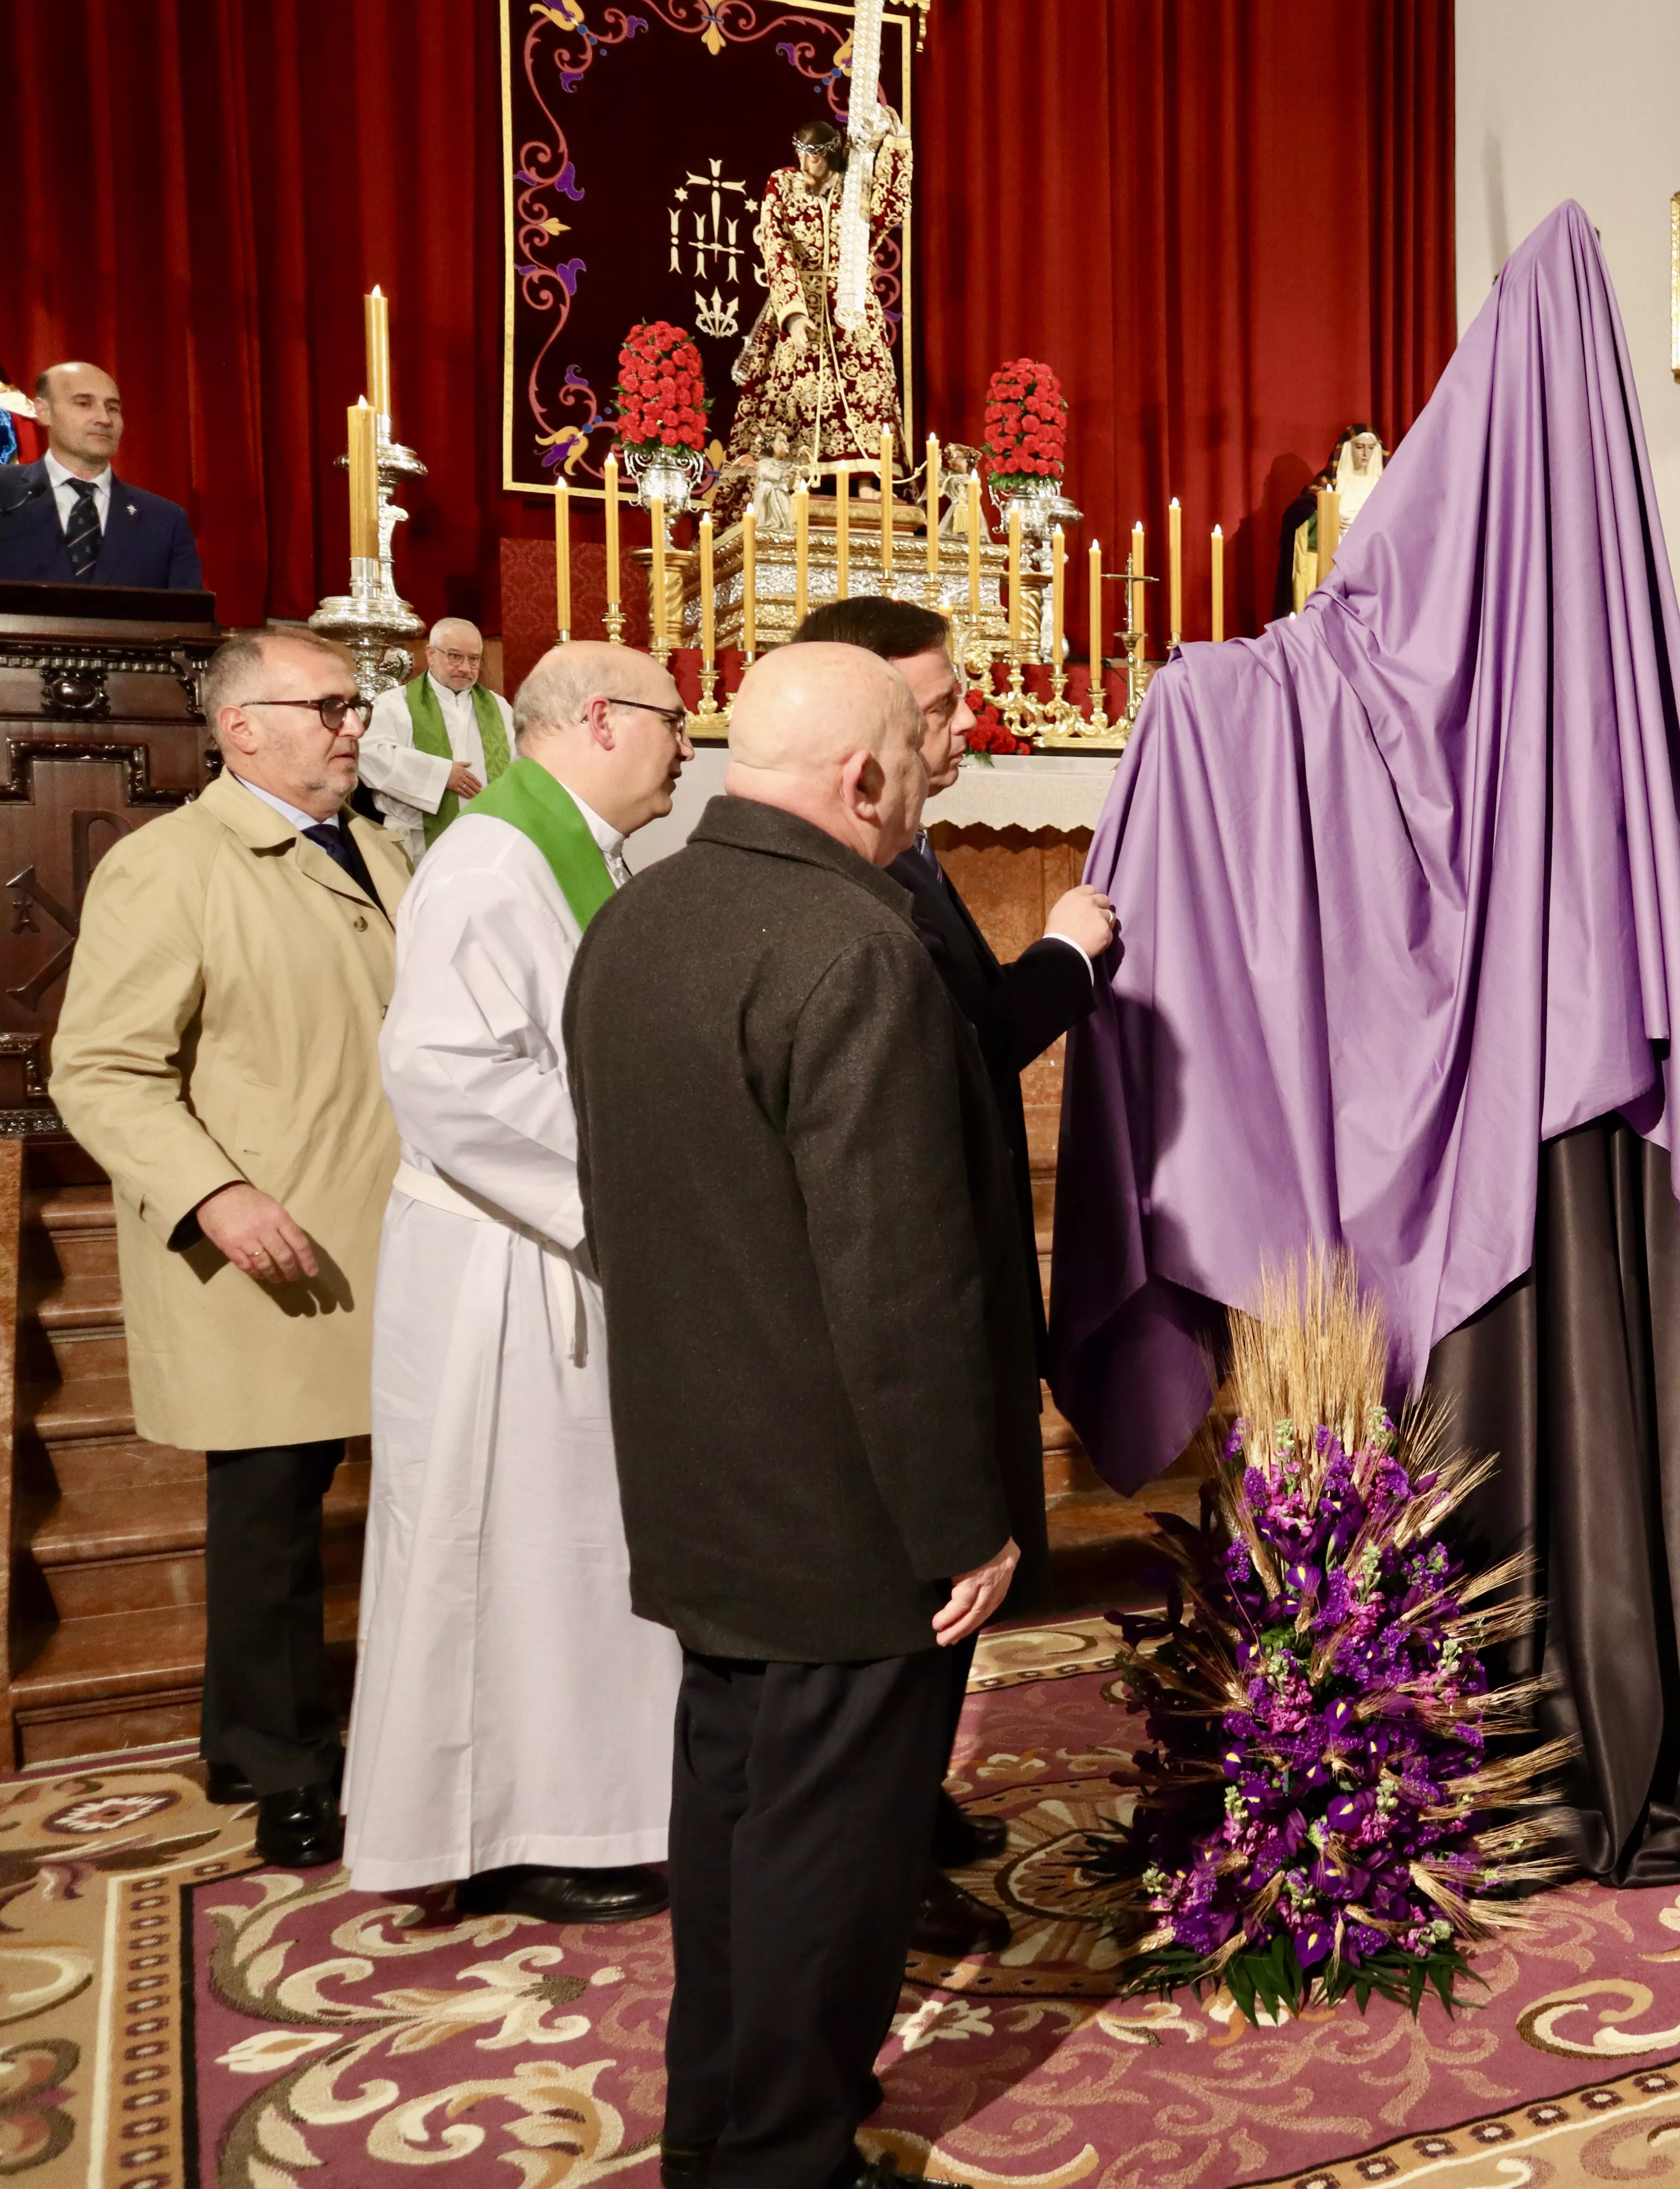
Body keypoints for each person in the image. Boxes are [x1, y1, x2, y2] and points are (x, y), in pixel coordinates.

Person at [569, 641, 1029, 2189]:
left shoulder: (634, 920)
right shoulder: (855, 947)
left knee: (738, 1834)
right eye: (917, 746)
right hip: (848, 1514)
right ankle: (782, 2158)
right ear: (864, 773)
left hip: (700, 1470)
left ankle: (719, 2124)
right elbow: (898, 1280)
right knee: (834, 1862)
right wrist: (960, 1518)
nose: (924, 773)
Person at [344, 641, 692, 1923]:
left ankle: (579, 1807)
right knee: (514, 1549)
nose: (686, 745)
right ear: (599, 716)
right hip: (507, 1259)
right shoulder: (494, 855)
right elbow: (445, 1071)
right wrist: (629, 1176)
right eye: (671, 719)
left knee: (571, 1547)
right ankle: (512, 1828)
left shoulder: (567, 848)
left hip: (552, 1241)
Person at [792, 593, 1117, 1960]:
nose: (958, 727)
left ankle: (910, 1806)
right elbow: (970, 1039)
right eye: (933, 705)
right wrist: (1066, 953)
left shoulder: (912, 854)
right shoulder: (854, 880)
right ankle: (880, 1851)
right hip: (905, 1277)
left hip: (971, 1249)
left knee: (959, 1588)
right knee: (916, 1588)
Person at [49, 631, 408, 1867]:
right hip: (272, 1249)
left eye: (356, 706)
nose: (353, 725)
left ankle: (386, 1732)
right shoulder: (169, 865)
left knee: (398, 1508)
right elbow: (100, 1067)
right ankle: (276, 1759)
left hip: (395, 1234)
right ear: (242, 727)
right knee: (270, 1522)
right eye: (329, 707)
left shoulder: (379, 845)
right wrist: (215, 1195)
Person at [724, 115, 913, 477]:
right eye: (800, 155)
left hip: (852, 303)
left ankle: (865, 480)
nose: (804, 165)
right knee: (798, 390)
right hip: (802, 303)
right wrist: (793, 316)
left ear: (830, 156)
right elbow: (776, 250)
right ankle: (797, 477)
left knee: (868, 388)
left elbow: (892, 207)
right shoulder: (782, 185)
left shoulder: (855, 185)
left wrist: (898, 144)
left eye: (813, 158)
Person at [0, 361, 205, 589]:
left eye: (113, 408)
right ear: (43, 411)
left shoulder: (165, 521)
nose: (104, 419)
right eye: (84, 404)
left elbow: (194, 623)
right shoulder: (6, 494)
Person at [360, 619, 515, 862]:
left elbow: (519, 766)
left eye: (474, 659)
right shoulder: (396, 704)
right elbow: (370, 756)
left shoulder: (499, 708)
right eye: (455, 657)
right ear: (431, 655)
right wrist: (440, 774)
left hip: (485, 841)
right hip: (417, 843)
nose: (465, 668)